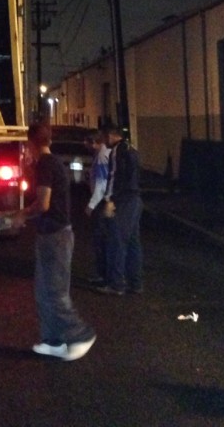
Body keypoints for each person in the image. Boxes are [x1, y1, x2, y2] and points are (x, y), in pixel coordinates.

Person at [24, 122, 96, 361]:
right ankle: (53, 341)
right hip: (52, 234)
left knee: (54, 292)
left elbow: (43, 204)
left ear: (30, 143)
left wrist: (21, 215)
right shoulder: (49, 163)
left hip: (55, 236)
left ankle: (81, 334)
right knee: (43, 291)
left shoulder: (46, 164)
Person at [97, 122, 144, 296]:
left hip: (123, 201)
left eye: (104, 137)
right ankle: (135, 283)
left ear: (110, 135)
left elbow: (113, 176)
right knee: (133, 243)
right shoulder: (131, 149)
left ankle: (116, 284)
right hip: (135, 199)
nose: (104, 141)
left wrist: (109, 199)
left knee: (117, 242)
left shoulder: (117, 151)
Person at [84, 131, 112, 287]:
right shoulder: (105, 154)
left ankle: (103, 275)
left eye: (88, 142)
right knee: (104, 239)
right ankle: (105, 274)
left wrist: (91, 205)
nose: (85, 145)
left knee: (100, 240)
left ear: (95, 142)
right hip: (105, 201)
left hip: (100, 203)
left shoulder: (101, 157)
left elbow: (101, 184)